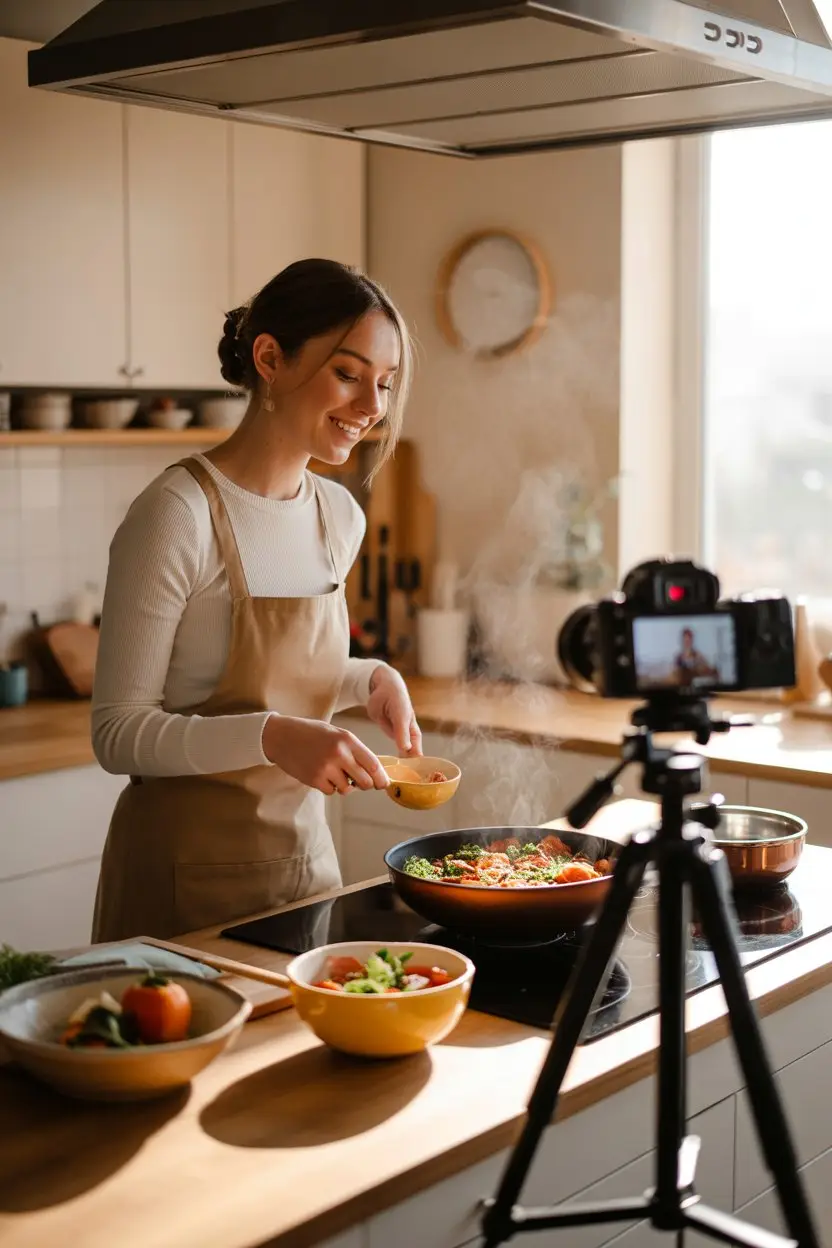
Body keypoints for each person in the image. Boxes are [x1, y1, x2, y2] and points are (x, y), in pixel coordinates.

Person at [90, 259, 422, 941]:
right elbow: (118, 733)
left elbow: (292, 677)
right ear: (270, 358)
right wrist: (270, 737)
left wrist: (371, 678)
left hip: (303, 874)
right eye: (349, 374)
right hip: (180, 887)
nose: (372, 408)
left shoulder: (339, 516)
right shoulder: (175, 515)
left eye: (385, 384)